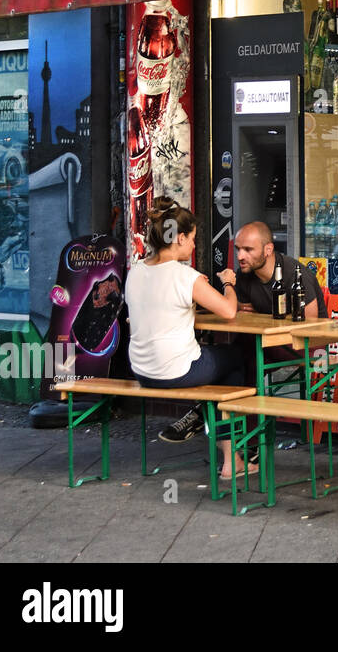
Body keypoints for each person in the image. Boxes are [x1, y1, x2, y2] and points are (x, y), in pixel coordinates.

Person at [125, 201, 250, 479]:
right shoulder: (185, 276)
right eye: (192, 239)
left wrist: (195, 287)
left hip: (143, 371)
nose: (194, 246)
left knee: (213, 358)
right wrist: (228, 282)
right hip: (177, 371)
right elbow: (229, 311)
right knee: (236, 360)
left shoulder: (136, 272)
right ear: (179, 238)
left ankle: (203, 415)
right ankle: (233, 458)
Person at [230, 221, 326, 322]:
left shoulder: (294, 274)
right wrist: (238, 306)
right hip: (264, 335)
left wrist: (262, 319)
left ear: (268, 249)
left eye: (248, 249)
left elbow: (309, 321)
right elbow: (244, 318)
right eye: (238, 249)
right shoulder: (244, 274)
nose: (240, 256)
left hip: (305, 335)